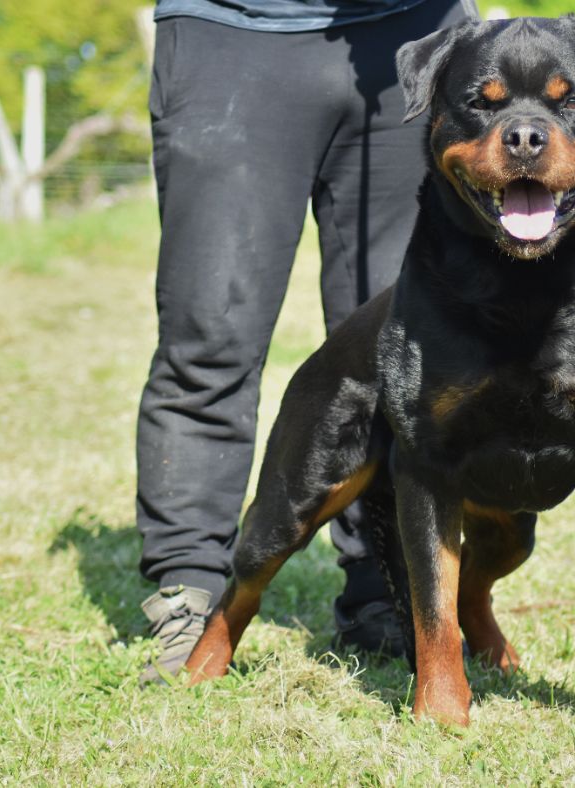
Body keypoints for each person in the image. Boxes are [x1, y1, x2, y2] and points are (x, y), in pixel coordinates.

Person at [135, 0, 476, 684]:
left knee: (409, 357)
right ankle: (189, 589)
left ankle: (388, 588)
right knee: (210, 335)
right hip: (229, 35)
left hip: (413, 31)